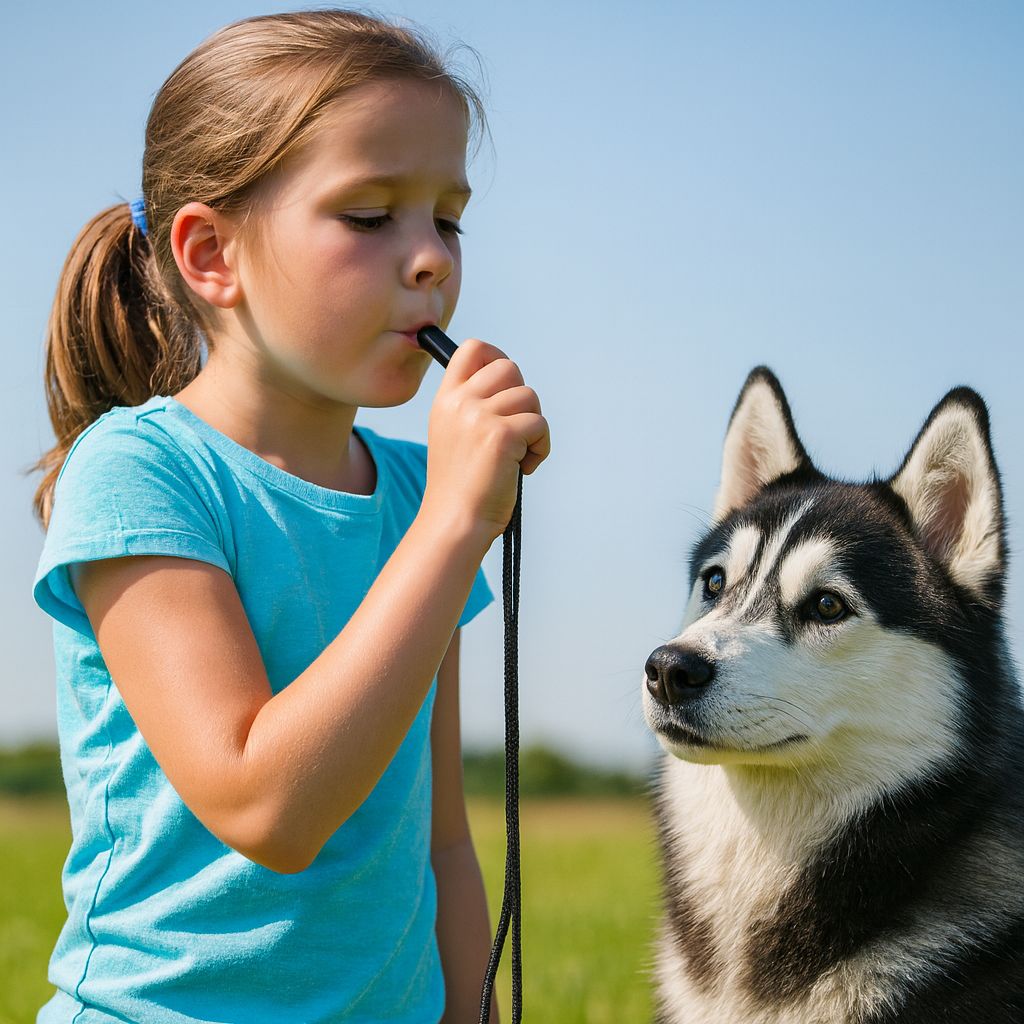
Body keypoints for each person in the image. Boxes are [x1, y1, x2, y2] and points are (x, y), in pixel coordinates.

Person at [31, 10, 549, 1023]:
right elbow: (264, 806)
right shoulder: (140, 472)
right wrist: (453, 524)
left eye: (447, 218)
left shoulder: (411, 492)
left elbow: (440, 836)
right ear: (211, 254)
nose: (431, 259)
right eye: (369, 216)